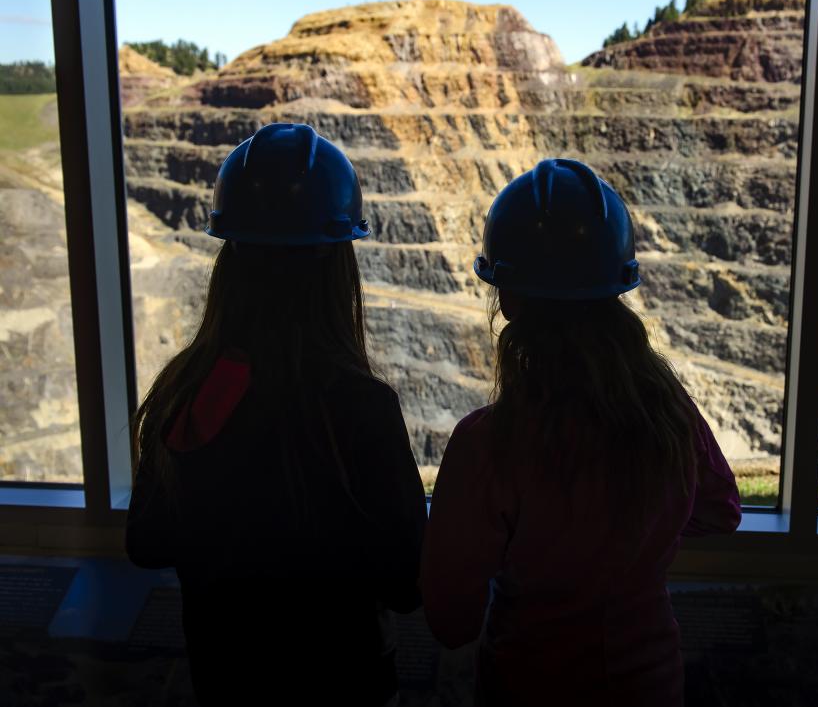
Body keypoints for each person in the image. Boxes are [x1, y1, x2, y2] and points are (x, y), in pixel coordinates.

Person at [420, 158, 742, 706]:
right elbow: (721, 510)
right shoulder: (668, 414)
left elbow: (452, 621)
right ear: (617, 285)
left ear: (510, 297)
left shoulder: (488, 443)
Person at [125, 123, 427, 707]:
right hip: (346, 684)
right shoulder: (361, 407)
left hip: (228, 681)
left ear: (229, 262)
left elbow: (146, 541)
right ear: (340, 270)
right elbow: (406, 581)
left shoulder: (188, 390)